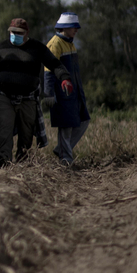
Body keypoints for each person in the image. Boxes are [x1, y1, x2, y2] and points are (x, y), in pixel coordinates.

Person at [0, 17, 74, 165]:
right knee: (5, 126)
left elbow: (54, 64)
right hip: (4, 96)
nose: (15, 34)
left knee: (27, 133)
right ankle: (4, 159)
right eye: (12, 32)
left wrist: (65, 78)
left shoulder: (37, 48)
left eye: (19, 32)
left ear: (27, 33)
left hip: (27, 98)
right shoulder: (1, 48)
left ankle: (23, 160)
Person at [44, 12, 91, 167]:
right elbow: (48, 70)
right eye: (73, 27)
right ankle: (66, 161)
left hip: (75, 93)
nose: (76, 30)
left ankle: (62, 150)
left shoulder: (70, 43)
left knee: (83, 120)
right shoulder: (55, 44)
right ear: (64, 28)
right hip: (62, 94)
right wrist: (49, 93)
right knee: (65, 127)